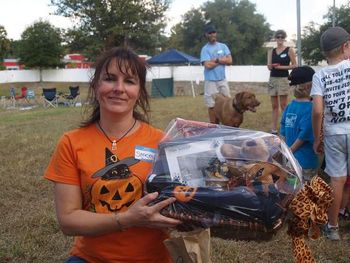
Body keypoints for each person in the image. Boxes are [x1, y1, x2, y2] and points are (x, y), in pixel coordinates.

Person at [44, 47, 180, 262]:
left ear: (140, 91)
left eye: (129, 81)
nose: (119, 88)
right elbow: (68, 221)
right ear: (96, 86)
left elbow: (184, 201)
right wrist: (128, 219)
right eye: (110, 79)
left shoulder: (161, 142)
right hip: (90, 258)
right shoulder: (71, 142)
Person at [311, 26, 350, 241]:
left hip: (334, 132)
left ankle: (332, 227)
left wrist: (318, 137)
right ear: (345, 46)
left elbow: (317, 111)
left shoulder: (320, 75)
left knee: (337, 179)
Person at [280, 66, 318, 182]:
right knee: (306, 193)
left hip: (290, 161)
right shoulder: (310, 108)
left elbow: (282, 132)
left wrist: (285, 153)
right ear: (308, 86)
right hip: (305, 161)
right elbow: (304, 136)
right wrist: (290, 151)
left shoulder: (289, 107)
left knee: (293, 190)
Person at [200, 23, 232, 124]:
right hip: (210, 81)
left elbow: (230, 61)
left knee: (227, 101)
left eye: (214, 32)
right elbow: (207, 65)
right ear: (206, 35)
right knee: (212, 105)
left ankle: (227, 123)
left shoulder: (223, 46)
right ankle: (213, 126)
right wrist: (223, 60)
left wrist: (217, 60)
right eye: (210, 33)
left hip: (222, 79)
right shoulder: (205, 49)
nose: (212, 34)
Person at [267, 29, 297, 134]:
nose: (280, 39)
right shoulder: (271, 51)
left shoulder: (289, 50)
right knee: (274, 106)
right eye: (278, 37)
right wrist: (271, 66)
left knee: (283, 105)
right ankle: (274, 129)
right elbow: (269, 67)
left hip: (284, 79)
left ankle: (286, 128)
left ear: (284, 39)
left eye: (282, 37)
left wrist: (281, 67)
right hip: (273, 79)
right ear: (275, 38)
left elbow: (295, 65)